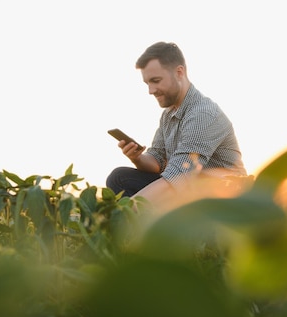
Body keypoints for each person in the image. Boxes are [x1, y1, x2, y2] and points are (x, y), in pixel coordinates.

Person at [106, 41, 247, 206]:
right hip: (191, 188)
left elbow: (179, 175)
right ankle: (145, 225)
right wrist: (137, 158)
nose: (151, 90)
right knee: (119, 178)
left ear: (179, 72)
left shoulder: (203, 114)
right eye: (147, 83)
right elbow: (158, 161)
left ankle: (135, 223)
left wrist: (126, 210)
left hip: (224, 196)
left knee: (161, 190)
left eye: (156, 80)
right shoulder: (169, 114)